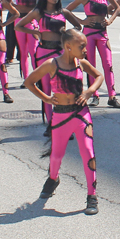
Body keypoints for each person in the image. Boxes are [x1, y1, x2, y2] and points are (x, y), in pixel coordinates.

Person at [24, 28, 104, 215]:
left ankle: (92, 196)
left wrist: (88, 92)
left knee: (88, 154)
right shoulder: (51, 64)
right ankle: (53, 179)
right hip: (60, 117)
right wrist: (45, 98)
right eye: (81, 46)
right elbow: (29, 82)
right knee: (56, 156)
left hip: (81, 114)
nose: (85, 49)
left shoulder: (82, 64)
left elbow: (99, 76)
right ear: (68, 47)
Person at [16, 0, 85, 131]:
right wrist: (35, 32)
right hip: (43, 53)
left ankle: (66, 121)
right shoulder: (38, 12)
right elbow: (18, 26)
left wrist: (68, 37)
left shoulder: (64, 12)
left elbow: (78, 27)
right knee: (46, 89)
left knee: (64, 89)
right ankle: (51, 123)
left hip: (61, 53)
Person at [66, 0, 120, 108]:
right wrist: (81, 21)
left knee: (108, 64)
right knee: (91, 66)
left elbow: (117, 8)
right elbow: (67, 10)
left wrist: (110, 20)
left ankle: (112, 96)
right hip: (89, 35)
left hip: (102, 33)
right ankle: (94, 96)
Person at [12, 0, 41, 85]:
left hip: (32, 21)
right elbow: (11, 4)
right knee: (23, 51)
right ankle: (26, 78)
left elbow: (41, 5)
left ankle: (36, 77)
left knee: (34, 50)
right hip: (19, 21)